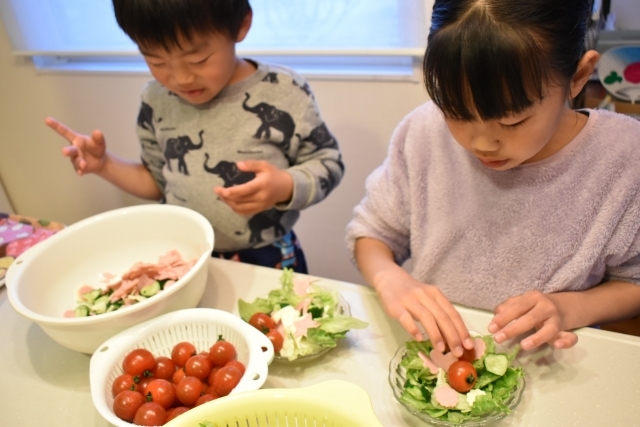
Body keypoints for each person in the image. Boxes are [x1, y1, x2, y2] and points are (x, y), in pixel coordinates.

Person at [346, 0, 640, 357]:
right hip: (439, 359)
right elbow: (372, 233)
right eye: (455, 112)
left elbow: (634, 281)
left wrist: (568, 309)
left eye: (513, 120)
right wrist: (390, 279)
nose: (481, 143)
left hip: (551, 363)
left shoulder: (623, 158)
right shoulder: (423, 131)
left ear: (577, 77)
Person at [45, 0, 344, 274]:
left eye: (198, 59)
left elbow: (328, 162)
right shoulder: (155, 100)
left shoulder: (284, 91)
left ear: (241, 25)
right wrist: (105, 165)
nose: (181, 79)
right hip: (185, 256)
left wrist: (286, 186)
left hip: (267, 255)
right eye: (157, 62)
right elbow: (158, 182)